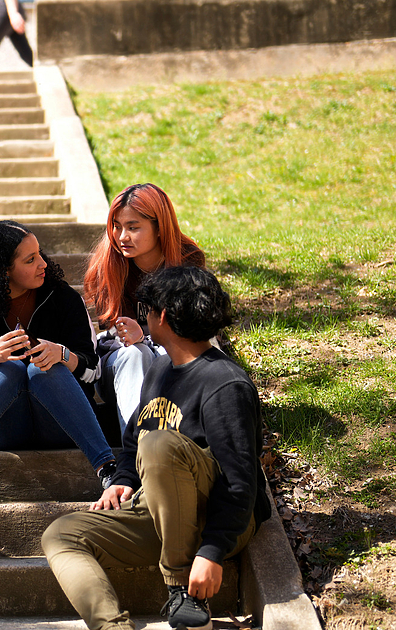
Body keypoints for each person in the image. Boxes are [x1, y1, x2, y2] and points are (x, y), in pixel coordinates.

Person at [41, 266, 270, 630]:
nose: (143, 317)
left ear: (162, 316)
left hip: (217, 518)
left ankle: (181, 591)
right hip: (160, 511)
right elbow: (134, 441)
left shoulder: (225, 383)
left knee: (160, 444)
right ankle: (112, 626)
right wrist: (123, 479)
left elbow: (240, 482)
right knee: (62, 534)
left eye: (145, 310)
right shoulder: (161, 370)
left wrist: (211, 552)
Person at [0, 220, 116, 487]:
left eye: (40, 253)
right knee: (7, 368)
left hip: (62, 423)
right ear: (3, 271)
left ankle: (107, 467)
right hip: (5, 428)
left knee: (44, 367)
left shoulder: (63, 300)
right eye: (30, 260)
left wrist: (63, 355)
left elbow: (93, 369)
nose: (43, 264)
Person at [83, 183, 206, 439]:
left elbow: (192, 329)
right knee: (135, 354)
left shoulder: (188, 261)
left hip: (168, 358)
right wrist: (140, 339)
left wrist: (147, 336)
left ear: (159, 227)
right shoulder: (108, 262)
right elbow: (114, 331)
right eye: (116, 226)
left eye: (133, 227)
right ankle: (139, 451)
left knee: (167, 353)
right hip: (119, 364)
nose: (122, 236)